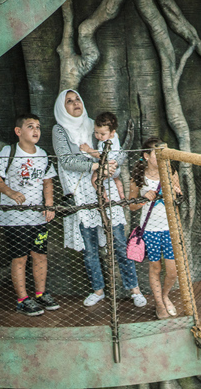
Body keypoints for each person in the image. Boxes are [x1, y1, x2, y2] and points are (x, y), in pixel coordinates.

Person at [51, 89, 146, 308]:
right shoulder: (60, 129)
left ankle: (134, 289)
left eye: (77, 99)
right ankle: (98, 289)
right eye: (69, 101)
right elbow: (66, 161)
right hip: (81, 193)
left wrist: (105, 169)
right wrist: (95, 165)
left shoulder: (96, 126)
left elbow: (116, 157)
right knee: (90, 245)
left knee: (119, 242)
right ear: (61, 107)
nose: (76, 103)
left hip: (106, 187)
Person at [0, 114, 59, 316]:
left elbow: (47, 181)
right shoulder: (9, 151)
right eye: (30, 126)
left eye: (38, 126)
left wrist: (49, 205)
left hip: (37, 217)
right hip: (15, 218)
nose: (36, 130)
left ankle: (40, 294)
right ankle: (22, 299)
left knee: (40, 256)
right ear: (18, 131)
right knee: (19, 258)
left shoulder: (43, 154)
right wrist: (10, 192)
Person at [129, 138, 182, 320]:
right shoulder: (138, 176)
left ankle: (165, 295)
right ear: (146, 155)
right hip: (150, 229)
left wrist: (176, 192)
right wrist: (145, 198)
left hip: (170, 228)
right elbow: (131, 206)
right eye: (157, 153)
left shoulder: (170, 171)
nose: (162, 157)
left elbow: (179, 197)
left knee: (173, 270)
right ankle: (159, 304)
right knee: (155, 268)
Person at [80, 112, 126, 201]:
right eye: (96, 132)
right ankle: (122, 196)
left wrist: (88, 150)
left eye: (102, 134)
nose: (99, 136)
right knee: (117, 180)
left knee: (95, 179)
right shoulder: (115, 136)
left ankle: (104, 196)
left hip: (108, 167)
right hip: (116, 168)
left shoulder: (104, 143)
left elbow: (100, 155)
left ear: (112, 132)